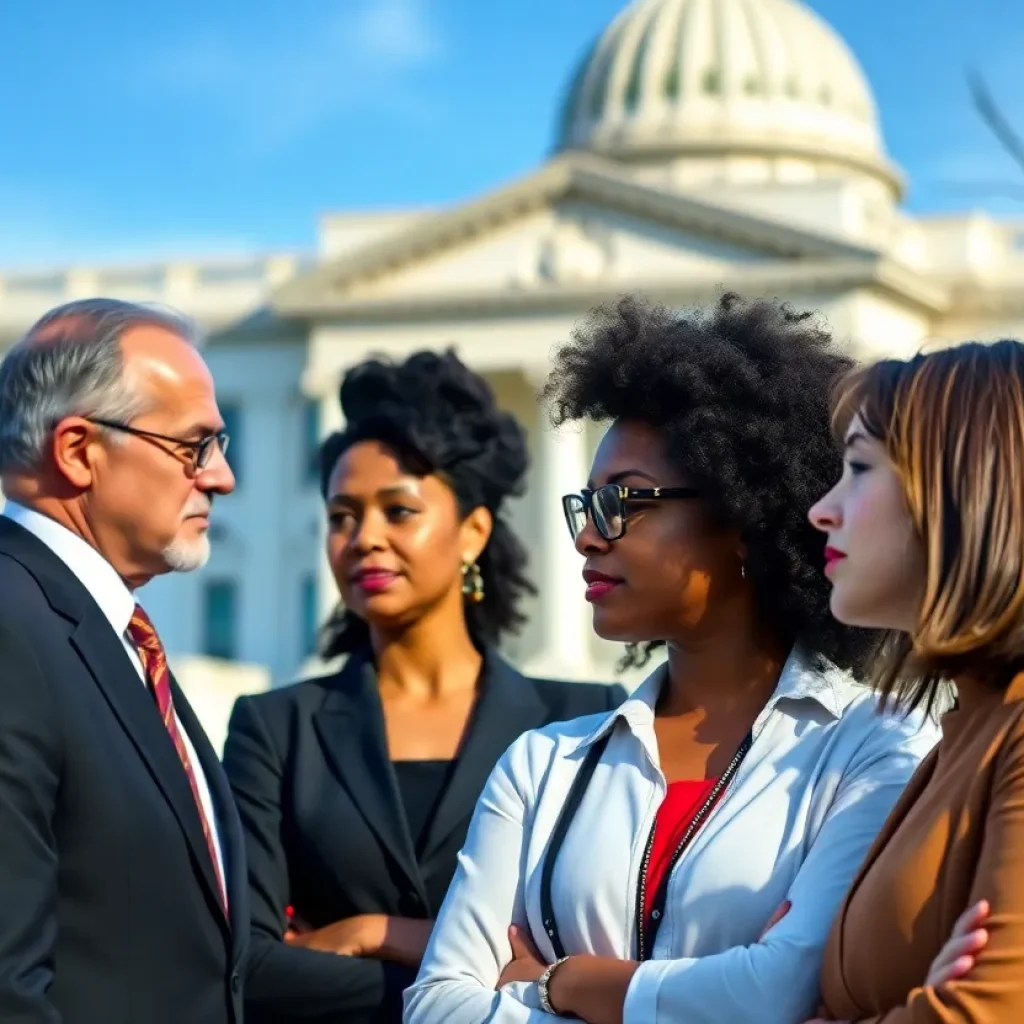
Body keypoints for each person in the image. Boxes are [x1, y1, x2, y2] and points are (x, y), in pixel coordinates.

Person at [405, 294, 941, 1024]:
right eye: (586, 507)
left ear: (746, 518)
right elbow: (436, 1008)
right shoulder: (540, 767)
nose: (589, 538)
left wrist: (561, 981)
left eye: (624, 503)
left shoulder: (878, 746)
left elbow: (775, 991)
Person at [223, 349, 624, 1024]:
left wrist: (375, 932)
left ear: (472, 532)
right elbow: (250, 967)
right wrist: (489, 978)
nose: (363, 538)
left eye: (398, 511)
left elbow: (610, 945)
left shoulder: (584, 720)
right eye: (342, 515)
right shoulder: (275, 728)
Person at [0, 299, 246, 1023]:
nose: (222, 477)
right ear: (78, 450)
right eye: (194, 445)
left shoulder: (106, 635)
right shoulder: (12, 629)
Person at [809, 339, 1024, 1023]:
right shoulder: (967, 729)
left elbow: (983, 1012)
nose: (822, 509)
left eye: (859, 468)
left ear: (966, 488)